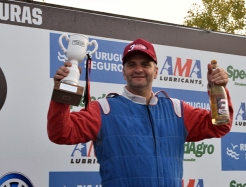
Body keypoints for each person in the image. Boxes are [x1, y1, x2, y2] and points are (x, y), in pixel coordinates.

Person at [47, 38, 233, 187]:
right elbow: (61, 133)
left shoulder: (176, 110)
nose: (138, 69)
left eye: (145, 64)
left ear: (156, 71)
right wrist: (65, 88)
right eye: (131, 64)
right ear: (123, 72)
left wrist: (218, 89)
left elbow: (220, 125)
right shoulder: (103, 109)